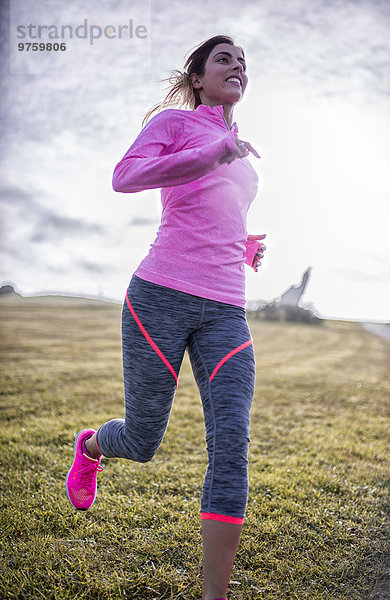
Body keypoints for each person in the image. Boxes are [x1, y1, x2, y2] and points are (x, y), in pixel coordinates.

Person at [65, 34, 266, 600]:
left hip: (226, 308)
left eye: (244, 62)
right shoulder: (179, 126)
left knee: (231, 441)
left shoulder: (243, 151)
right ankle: (91, 447)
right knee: (145, 438)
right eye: (224, 58)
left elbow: (215, 210)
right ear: (198, 77)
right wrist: (204, 154)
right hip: (159, 297)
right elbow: (123, 177)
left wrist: (245, 244)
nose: (238, 67)